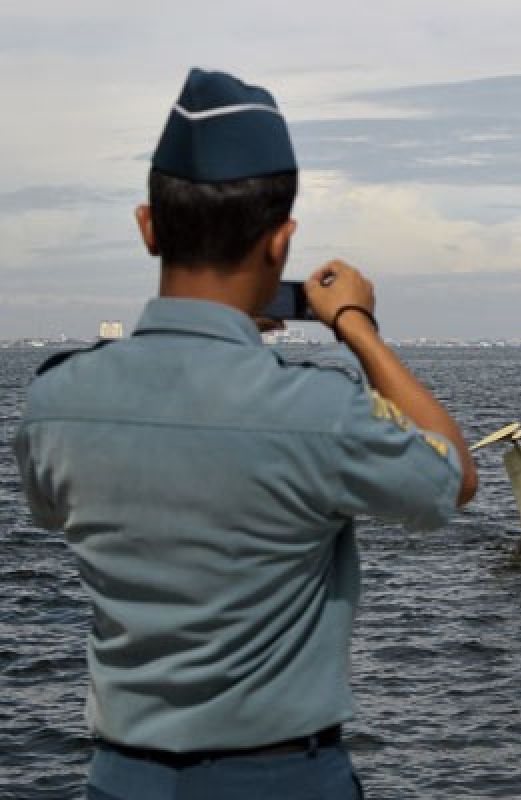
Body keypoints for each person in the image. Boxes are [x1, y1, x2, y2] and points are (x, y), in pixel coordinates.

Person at [13, 68, 477, 799]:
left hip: (120, 779)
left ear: (148, 227)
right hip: (283, 778)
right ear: (281, 242)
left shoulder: (56, 400)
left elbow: (50, 508)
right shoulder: (315, 409)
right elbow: (450, 477)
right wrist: (356, 324)